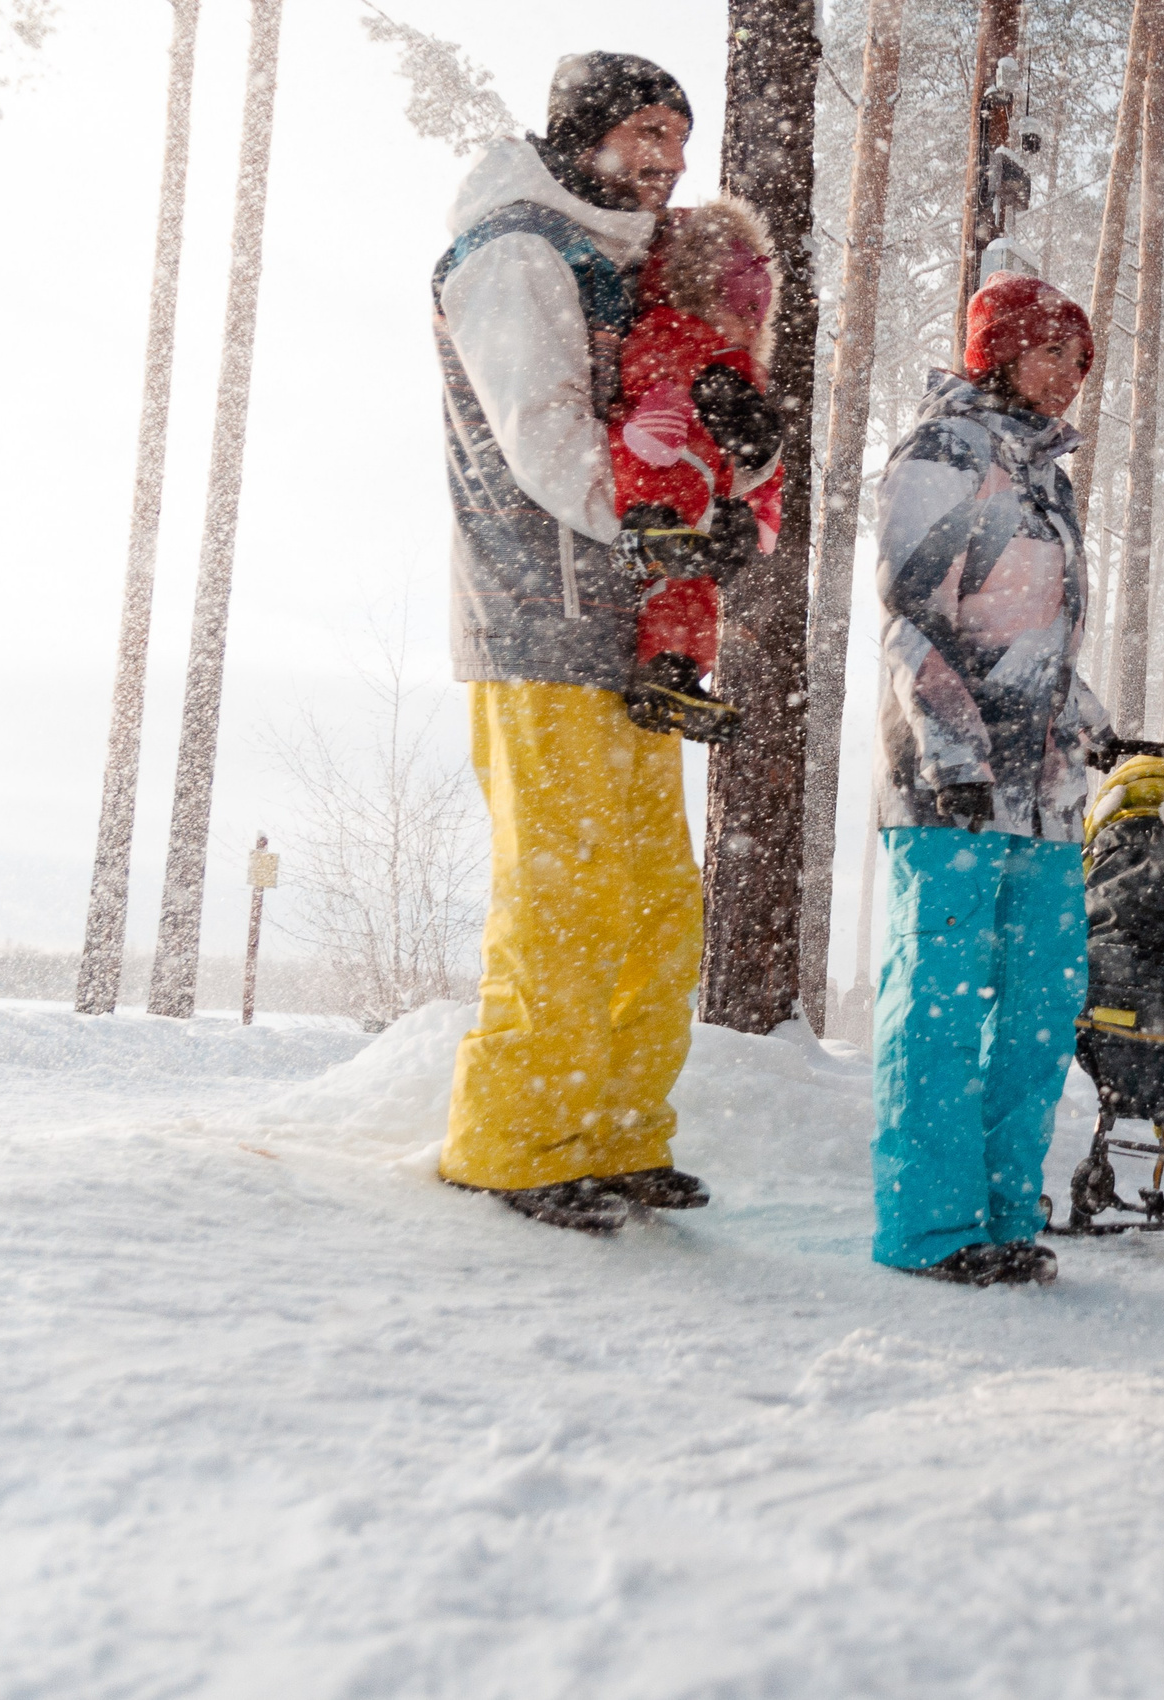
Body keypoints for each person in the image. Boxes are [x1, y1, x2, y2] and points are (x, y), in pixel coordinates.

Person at [430, 53, 714, 1233]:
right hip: (535, 614)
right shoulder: (517, 249)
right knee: (562, 892)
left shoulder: (624, 261)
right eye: (646, 132)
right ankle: (515, 1140)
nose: (665, 161)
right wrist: (656, 511)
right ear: (585, 133)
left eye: (679, 142)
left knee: (653, 894)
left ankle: (613, 1130)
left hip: (624, 623)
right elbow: (542, 430)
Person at [868, 273, 1103, 1286]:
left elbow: (1036, 632)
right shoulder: (941, 454)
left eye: (1078, 360)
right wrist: (952, 753)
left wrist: (1090, 728)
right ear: (996, 350)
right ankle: (931, 1225)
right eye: (1050, 352)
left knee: (1041, 1006)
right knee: (944, 1005)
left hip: (1041, 788)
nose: (1067, 376)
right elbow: (914, 613)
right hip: (947, 786)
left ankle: (1007, 1212)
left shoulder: (1045, 476)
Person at [609, 192, 788, 742]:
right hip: (655, 474)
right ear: (697, 289)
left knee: (694, 589)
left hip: (701, 514)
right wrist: (680, 394)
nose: (744, 320)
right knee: (662, 465)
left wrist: (752, 512)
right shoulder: (665, 332)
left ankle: (672, 675)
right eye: (734, 300)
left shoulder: (746, 378)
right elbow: (641, 380)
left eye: (755, 308)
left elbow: (765, 472)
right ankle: (649, 523)